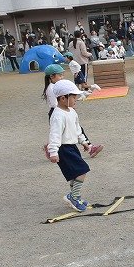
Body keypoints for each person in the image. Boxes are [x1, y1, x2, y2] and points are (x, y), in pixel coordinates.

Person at [42, 63, 103, 159]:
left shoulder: (56, 86)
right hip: (58, 111)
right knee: (61, 132)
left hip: (63, 110)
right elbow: (55, 103)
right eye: (60, 75)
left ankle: (88, 146)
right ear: (52, 77)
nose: (62, 77)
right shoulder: (52, 88)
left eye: (62, 75)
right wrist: (67, 108)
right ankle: (89, 147)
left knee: (72, 130)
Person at [47, 79, 91, 212]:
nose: (75, 100)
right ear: (62, 98)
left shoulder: (72, 112)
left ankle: (74, 197)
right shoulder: (58, 116)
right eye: (73, 97)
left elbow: (77, 129)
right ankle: (74, 197)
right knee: (82, 170)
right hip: (63, 149)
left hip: (72, 147)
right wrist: (53, 152)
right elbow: (54, 135)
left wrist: (83, 141)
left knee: (74, 174)